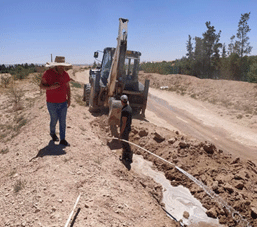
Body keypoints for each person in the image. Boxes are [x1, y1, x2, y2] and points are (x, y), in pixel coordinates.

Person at [40, 56, 72, 146]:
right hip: (51, 102)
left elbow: (68, 87)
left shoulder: (65, 74)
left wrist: (69, 99)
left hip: (63, 102)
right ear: (55, 65)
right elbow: (41, 86)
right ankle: (52, 133)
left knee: (63, 121)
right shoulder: (47, 73)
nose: (61, 67)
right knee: (54, 119)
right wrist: (50, 87)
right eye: (59, 65)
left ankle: (63, 139)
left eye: (63, 65)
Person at [119, 94, 133, 163]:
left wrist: (121, 132)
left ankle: (126, 157)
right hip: (128, 128)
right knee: (125, 142)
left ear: (121, 101)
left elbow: (124, 123)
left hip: (125, 129)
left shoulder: (124, 110)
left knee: (124, 143)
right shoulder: (129, 108)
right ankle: (128, 156)